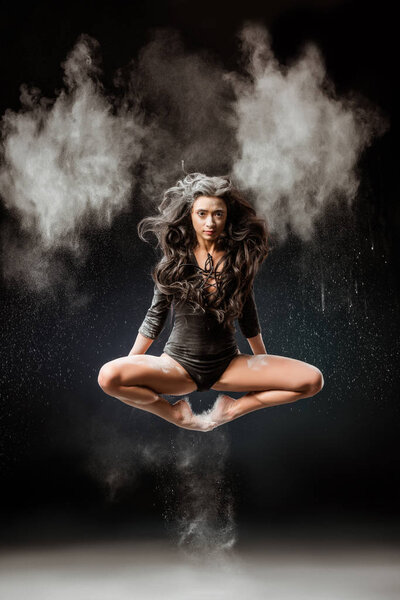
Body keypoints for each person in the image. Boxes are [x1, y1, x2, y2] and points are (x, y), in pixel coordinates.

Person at [98, 173, 324, 431]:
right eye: (202, 213)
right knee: (108, 377)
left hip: (228, 366)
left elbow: (248, 318)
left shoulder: (239, 261)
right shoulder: (172, 263)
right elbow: (154, 317)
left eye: (218, 214)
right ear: (190, 216)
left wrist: (264, 365)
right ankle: (177, 416)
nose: (210, 222)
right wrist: (131, 365)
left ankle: (232, 410)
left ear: (227, 217)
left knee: (313, 380)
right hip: (177, 366)